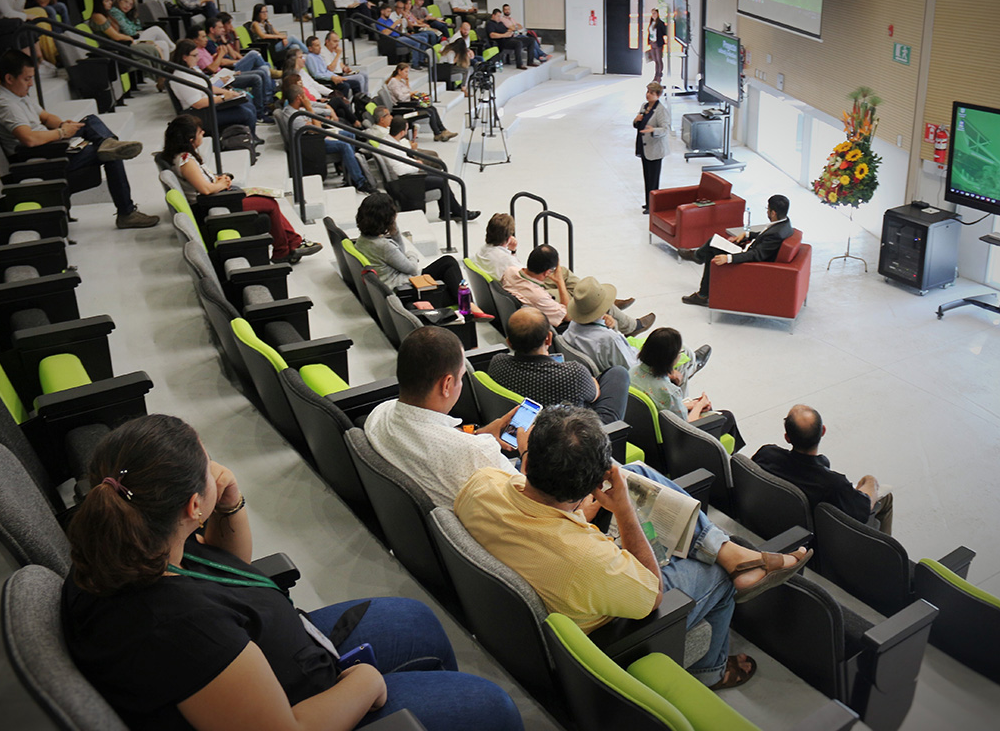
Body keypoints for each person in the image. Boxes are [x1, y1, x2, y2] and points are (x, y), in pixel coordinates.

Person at [63, 414, 524, 731]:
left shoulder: (131, 540)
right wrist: (364, 684)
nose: (216, 468)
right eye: (207, 466)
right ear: (191, 505)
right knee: (494, 707)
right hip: (307, 704)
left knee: (418, 621)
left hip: (284, 651)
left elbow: (233, 570)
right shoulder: (180, 630)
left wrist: (229, 503)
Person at [454, 404, 812, 688]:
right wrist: (623, 508)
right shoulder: (589, 561)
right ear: (588, 490)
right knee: (718, 574)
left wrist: (579, 508)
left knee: (636, 470)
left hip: (544, 560)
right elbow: (653, 594)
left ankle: (730, 551)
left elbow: (534, 500)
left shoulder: (482, 483)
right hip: (612, 629)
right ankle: (711, 669)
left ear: (526, 460)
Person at [0, 49, 159, 229]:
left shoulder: (18, 95)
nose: (31, 84)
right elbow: (29, 139)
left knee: (90, 121)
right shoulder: (5, 105)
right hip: (41, 157)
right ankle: (126, 213)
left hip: (50, 146)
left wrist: (63, 124)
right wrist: (62, 133)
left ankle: (107, 144)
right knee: (112, 154)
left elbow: (45, 117)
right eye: (27, 79)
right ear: (9, 79)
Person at [364, 326, 520, 508]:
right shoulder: (478, 453)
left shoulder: (378, 415)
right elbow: (530, 503)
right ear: (446, 384)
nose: (461, 384)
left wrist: (479, 433)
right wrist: (527, 451)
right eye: (461, 377)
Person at [162, 114, 320, 264]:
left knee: (266, 200)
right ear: (190, 139)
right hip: (214, 204)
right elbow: (205, 190)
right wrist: (221, 184)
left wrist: (219, 179)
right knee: (270, 204)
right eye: (199, 132)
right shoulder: (186, 160)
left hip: (218, 198)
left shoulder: (182, 156)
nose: (203, 133)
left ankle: (293, 242)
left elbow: (202, 182)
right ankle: (282, 251)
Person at [753, 405, 893, 534]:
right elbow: (864, 507)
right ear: (823, 431)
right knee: (886, 497)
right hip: (815, 542)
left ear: (787, 438)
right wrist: (870, 481)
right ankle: (885, 555)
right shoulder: (833, 485)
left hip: (770, 524)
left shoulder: (766, 455)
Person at [489, 307, 630, 425]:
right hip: (577, 434)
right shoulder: (573, 373)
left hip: (529, 428)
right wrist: (588, 379)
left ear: (509, 342)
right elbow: (595, 395)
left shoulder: (497, 363)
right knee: (619, 373)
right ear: (549, 338)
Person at [351, 192, 489, 308]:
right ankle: (468, 305)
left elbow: (399, 250)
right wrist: (412, 255)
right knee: (450, 283)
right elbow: (411, 267)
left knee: (448, 262)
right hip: (406, 289)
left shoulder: (363, 239)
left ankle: (469, 304)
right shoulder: (384, 246)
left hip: (398, 283)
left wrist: (394, 230)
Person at [563, 279, 712, 378]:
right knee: (682, 352)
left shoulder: (572, 327)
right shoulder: (610, 339)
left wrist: (613, 326)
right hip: (633, 371)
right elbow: (633, 368)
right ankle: (689, 370)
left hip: (603, 368)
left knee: (671, 345)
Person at [629, 327, 743, 450]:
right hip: (674, 444)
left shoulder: (631, 372)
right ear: (671, 359)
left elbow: (658, 407)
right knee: (727, 417)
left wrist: (691, 404)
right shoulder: (669, 392)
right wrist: (700, 405)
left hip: (644, 434)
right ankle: (727, 462)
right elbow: (685, 427)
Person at [501, 244, 652, 336]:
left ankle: (595, 294)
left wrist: (559, 275)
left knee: (564, 272)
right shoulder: (539, 297)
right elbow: (568, 315)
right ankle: (631, 326)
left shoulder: (510, 271)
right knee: (592, 303)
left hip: (527, 288)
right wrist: (559, 282)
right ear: (546, 272)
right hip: (541, 303)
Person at [681, 194, 794, 306]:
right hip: (749, 252)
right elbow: (764, 236)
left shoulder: (776, 233)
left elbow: (757, 255)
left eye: (767, 209)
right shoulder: (784, 224)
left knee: (712, 249)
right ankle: (702, 290)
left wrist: (728, 258)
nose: (767, 212)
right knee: (713, 243)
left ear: (773, 213)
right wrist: (747, 234)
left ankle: (701, 283)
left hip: (750, 263)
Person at [379, 116, 476, 221]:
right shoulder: (389, 147)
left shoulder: (389, 141)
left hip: (409, 175)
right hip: (406, 181)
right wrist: (416, 166)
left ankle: (447, 211)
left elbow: (402, 159)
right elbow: (400, 170)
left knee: (441, 175)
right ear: (402, 132)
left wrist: (415, 163)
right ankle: (458, 211)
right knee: (442, 181)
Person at [284, 83, 372, 193]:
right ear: (298, 98)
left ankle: (349, 175)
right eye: (304, 96)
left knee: (349, 135)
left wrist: (313, 117)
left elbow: (314, 124)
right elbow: (318, 129)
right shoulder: (293, 116)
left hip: (312, 138)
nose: (307, 98)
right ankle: (360, 182)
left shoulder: (295, 109)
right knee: (344, 145)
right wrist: (309, 109)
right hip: (309, 145)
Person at [169, 39, 262, 141]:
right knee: (246, 112)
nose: (198, 58)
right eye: (195, 56)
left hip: (211, 106)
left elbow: (207, 86)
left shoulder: (192, 69)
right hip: (201, 113)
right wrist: (223, 98)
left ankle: (252, 137)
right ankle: (250, 140)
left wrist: (227, 92)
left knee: (247, 101)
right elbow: (197, 104)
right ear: (184, 57)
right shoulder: (180, 78)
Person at [190, 24, 269, 120]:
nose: (206, 39)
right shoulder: (197, 53)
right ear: (195, 40)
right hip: (218, 80)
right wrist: (221, 54)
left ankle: (266, 105)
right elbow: (212, 69)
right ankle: (260, 113)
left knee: (261, 71)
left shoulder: (204, 49)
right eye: (202, 37)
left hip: (223, 73)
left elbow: (232, 55)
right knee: (256, 67)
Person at [385, 63, 457, 142]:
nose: (407, 74)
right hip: (403, 107)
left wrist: (407, 84)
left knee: (432, 108)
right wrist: (411, 94)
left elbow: (406, 93)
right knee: (429, 111)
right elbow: (401, 98)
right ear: (399, 71)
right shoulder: (394, 82)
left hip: (408, 104)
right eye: (405, 72)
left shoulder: (400, 81)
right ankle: (437, 134)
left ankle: (443, 130)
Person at [635, 81, 669, 214]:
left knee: (653, 179)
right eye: (648, 91)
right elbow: (638, 123)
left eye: (651, 93)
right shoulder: (644, 106)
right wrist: (636, 120)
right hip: (644, 147)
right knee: (647, 177)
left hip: (655, 149)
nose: (648, 95)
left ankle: (653, 206)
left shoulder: (661, 111)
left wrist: (653, 130)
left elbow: (665, 129)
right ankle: (648, 202)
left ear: (658, 95)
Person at [110, 0, 174, 64]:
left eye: (131, 5)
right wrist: (136, 30)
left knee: (163, 44)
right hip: (129, 41)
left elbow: (138, 27)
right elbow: (129, 31)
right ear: (119, 0)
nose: (127, 6)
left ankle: (165, 71)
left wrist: (133, 17)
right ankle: (174, 49)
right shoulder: (115, 12)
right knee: (155, 29)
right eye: (125, 2)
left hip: (134, 37)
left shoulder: (125, 15)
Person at [304, 32, 370, 97]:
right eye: (317, 45)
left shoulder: (318, 55)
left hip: (333, 76)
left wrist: (344, 69)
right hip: (326, 80)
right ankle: (346, 104)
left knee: (357, 82)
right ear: (310, 48)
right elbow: (317, 74)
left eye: (319, 45)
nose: (320, 47)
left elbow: (331, 69)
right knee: (348, 84)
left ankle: (361, 100)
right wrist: (333, 77)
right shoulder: (311, 57)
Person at [375, 2, 430, 71]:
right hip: (392, 40)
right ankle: (415, 64)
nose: (389, 13)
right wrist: (395, 23)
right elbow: (385, 33)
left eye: (390, 11)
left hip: (400, 36)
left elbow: (397, 30)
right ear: (382, 11)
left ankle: (421, 60)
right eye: (388, 11)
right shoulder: (380, 21)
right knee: (416, 42)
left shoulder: (389, 20)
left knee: (423, 38)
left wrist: (400, 25)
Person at [647, 8, 667, 83]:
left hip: (658, 43)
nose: (653, 15)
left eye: (654, 13)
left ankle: (659, 74)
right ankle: (656, 74)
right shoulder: (652, 22)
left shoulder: (660, 23)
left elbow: (664, 32)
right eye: (652, 13)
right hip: (652, 42)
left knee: (659, 59)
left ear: (657, 14)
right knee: (655, 60)